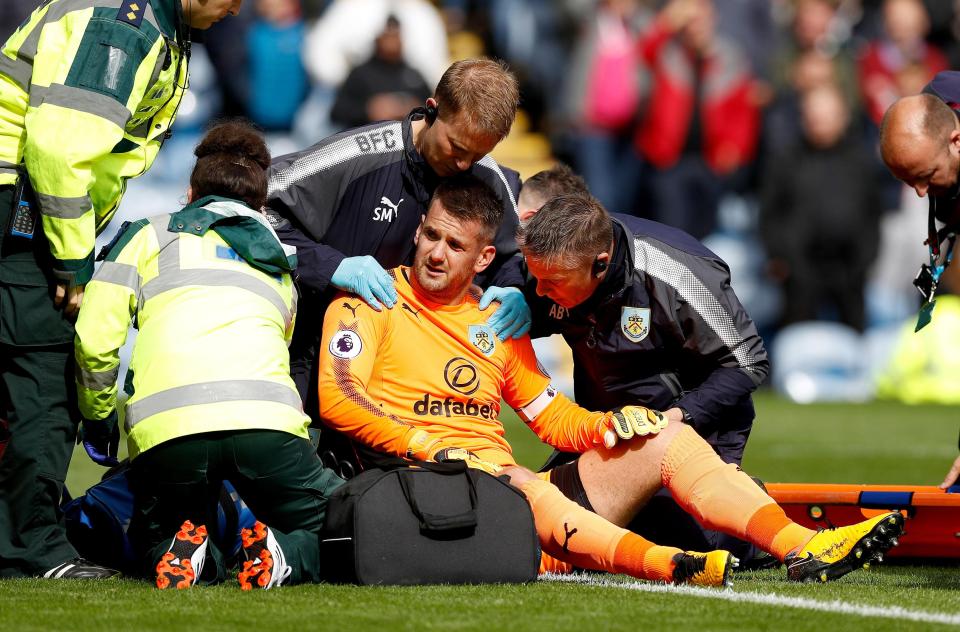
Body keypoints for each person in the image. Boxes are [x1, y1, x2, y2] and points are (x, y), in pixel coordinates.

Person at [317, 174, 903, 586]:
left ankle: (803, 545)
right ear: (416, 231)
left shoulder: (497, 320)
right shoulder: (370, 299)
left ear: (485, 257)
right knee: (524, 480)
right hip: (428, 491)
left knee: (663, 440)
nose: (438, 253)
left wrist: (615, 425)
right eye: (431, 236)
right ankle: (668, 563)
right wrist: (428, 445)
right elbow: (338, 401)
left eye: (456, 244)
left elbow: (550, 415)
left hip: (510, 496)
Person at [0, 0, 244, 580]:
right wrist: (72, 261)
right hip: (22, 204)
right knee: (44, 378)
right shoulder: (126, 25)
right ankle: (32, 551)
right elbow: (60, 150)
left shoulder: (140, 16)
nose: (236, 9)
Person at [74, 121, 343, 590]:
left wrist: (98, 414)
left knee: (156, 529)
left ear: (190, 190)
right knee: (338, 523)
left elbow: (96, 336)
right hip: (266, 427)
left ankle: (189, 552)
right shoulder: (281, 262)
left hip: (169, 430)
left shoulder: (147, 235)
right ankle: (281, 556)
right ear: (260, 203)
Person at [517, 172, 768, 561]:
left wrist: (677, 419)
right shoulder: (556, 260)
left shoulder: (678, 276)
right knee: (549, 526)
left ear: (600, 265)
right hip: (611, 426)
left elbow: (748, 361)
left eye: (551, 282)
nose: (539, 291)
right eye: (534, 278)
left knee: (667, 538)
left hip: (694, 426)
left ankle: (743, 523)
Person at [266, 58, 529, 427]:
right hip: (315, 353)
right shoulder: (358, 156)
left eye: (478, 154)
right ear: (433, 110)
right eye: (456, 147)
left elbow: (511, 258)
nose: (464, 165)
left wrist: (515, 288)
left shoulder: (492, 180)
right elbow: (256, 208)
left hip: (419, 379)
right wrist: (331, 265)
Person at [879, 70, 960, 490]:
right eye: (907, 180)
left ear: (956, 141)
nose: (919, 193)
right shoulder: (939, 106)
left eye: (926, 176)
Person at [329, 14, 432, 131]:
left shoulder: (414, 76)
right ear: (378, 38)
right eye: (388, 36)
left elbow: (434, 109)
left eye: (396, 36)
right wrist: (369, 110)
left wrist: (416, 109)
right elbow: (337, 113)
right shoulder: (360, 74)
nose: (392, 42)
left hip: (408, 144)